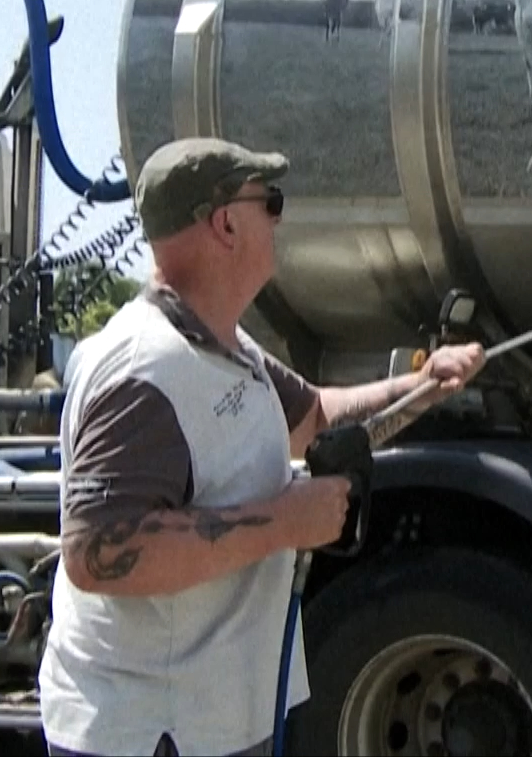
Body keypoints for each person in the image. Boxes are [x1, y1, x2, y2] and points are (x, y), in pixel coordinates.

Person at [38, 138, 485, 757]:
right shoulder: (143, 370)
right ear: (224, 223)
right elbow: (97, 551)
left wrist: (424, 384)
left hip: (204, 722)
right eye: (269, 202)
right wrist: (281, 524)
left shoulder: (224, 347)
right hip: (152, 735)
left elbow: (315, 415)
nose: (278, 219)